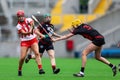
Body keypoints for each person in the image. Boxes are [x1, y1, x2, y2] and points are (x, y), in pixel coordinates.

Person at [52, 19, 117, 77]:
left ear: (77, 25)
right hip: (101, 38)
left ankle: (81, 72)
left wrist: (55, 39)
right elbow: (81, 31)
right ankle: (112, 66)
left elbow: (66, 36)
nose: (73, 27)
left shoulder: (78, 29)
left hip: (97, 40)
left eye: (74, 26)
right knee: (97, 57)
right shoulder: (84, 25)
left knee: (84, 53)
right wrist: (73, 32)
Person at [16, 10, 45, 76]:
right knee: (22, 57)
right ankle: (19, 69)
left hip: (33, 40)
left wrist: (31, 28)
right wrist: (29, 32)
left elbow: (32, 24)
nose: (21, 18)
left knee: (37, 53)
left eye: (22, 16)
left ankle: (40, 69)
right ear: (18, 18)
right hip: (24, 41)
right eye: (19, 17)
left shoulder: (28, 19)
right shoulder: (18, 26)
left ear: (24, 16)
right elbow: (24, 33)